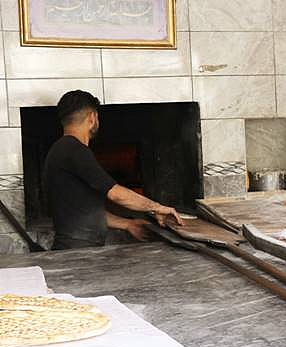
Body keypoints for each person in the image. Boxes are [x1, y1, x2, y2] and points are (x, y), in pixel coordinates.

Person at [44, 90, 184, 250]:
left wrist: (128, 224)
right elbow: (116, 194)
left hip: (76, 247)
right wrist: (157, 207)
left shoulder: (62, 149)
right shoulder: (75, 151)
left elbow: (84, 210)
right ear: (92, 117)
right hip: (77, 251)